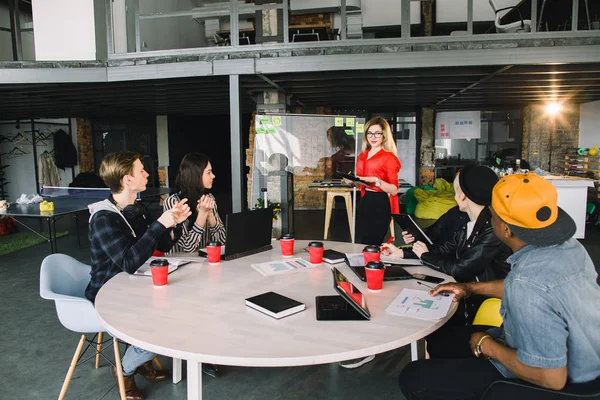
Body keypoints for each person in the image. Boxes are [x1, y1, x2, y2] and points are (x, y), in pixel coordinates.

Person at [399, 173, 600, 400]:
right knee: (440, 338)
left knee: (414, 377)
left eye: (492, 215)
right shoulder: (568, 247)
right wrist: (470, 288)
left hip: (561, 384)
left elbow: (551, 377)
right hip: (590, 357)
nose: (488, 218)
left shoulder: (527, 282)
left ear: (506, 229)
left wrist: (486, 346)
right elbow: (536, 290)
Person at [86, 152, 191, 400]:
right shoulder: (103, 219)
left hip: (134, 288)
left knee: (183, 307)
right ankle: (124, 369)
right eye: (141, 170)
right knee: (164, 324)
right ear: (127, 180)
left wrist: (171, 223)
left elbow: (159, 246)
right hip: (108, 294)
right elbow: (129, 262)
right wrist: (159, 224)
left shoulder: (134, 209)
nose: (146, 174)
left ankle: (139, 361)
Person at [382, 165, 512, 358]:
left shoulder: (492, 229)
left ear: (463, 196)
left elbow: (461, 269)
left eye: (455, 189)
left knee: (429, 319)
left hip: (484, 299)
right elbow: (442, 250)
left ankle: (432, 365)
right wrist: (401, 254)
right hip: (467, 294)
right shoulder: (470, 222)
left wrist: (425, 256)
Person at [164, 153, 226, 254]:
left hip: (205, 262)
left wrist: (210, 216)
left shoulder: (208, 199)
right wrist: (202, 214)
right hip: (180, 265)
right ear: (196, 175)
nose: (213, 176)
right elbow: (188, 248)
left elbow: (223, 242)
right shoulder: (173, 202)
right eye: (208, 172)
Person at [353, 116, 402, 245]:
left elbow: (394, 189)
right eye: (369, 133)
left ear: (384, 135)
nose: (372, 137)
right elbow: (361, 179)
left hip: (380, 203)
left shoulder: (389, 157)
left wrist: (376, 180)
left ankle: (374, 264)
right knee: (364, 242)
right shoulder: (363, 155)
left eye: (377, 133)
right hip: (365, 200)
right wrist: (352, 180)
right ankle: (366, 264)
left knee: (374, 242)